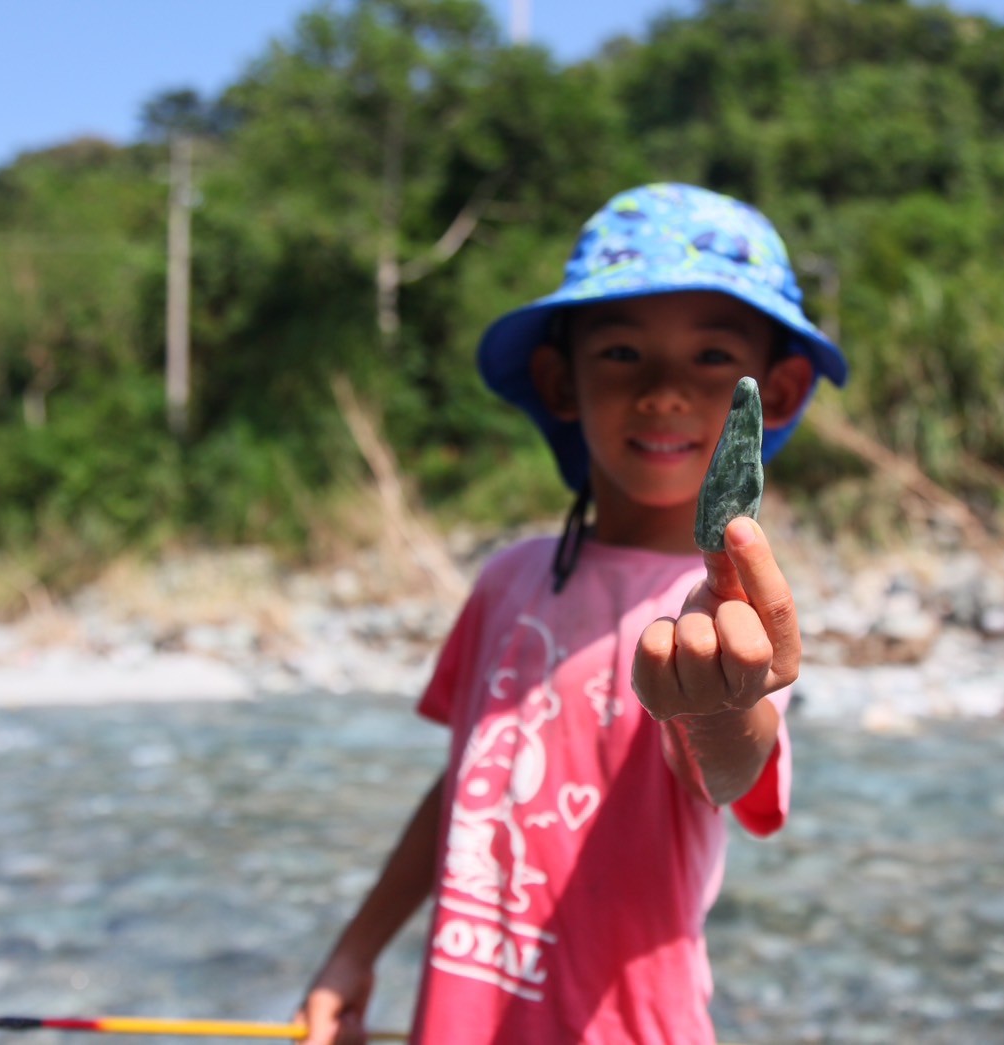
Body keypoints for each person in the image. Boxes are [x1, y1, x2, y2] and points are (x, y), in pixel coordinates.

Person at [296, 182, 848, 1044]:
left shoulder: (717, 610)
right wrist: (353, 950)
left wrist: (724, 705)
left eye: (710, 359)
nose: (664, 391)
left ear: (771, 394)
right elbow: (467, 779)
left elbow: (732, 772)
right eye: (623, 353)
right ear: (561, 379)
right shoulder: (506, 580)